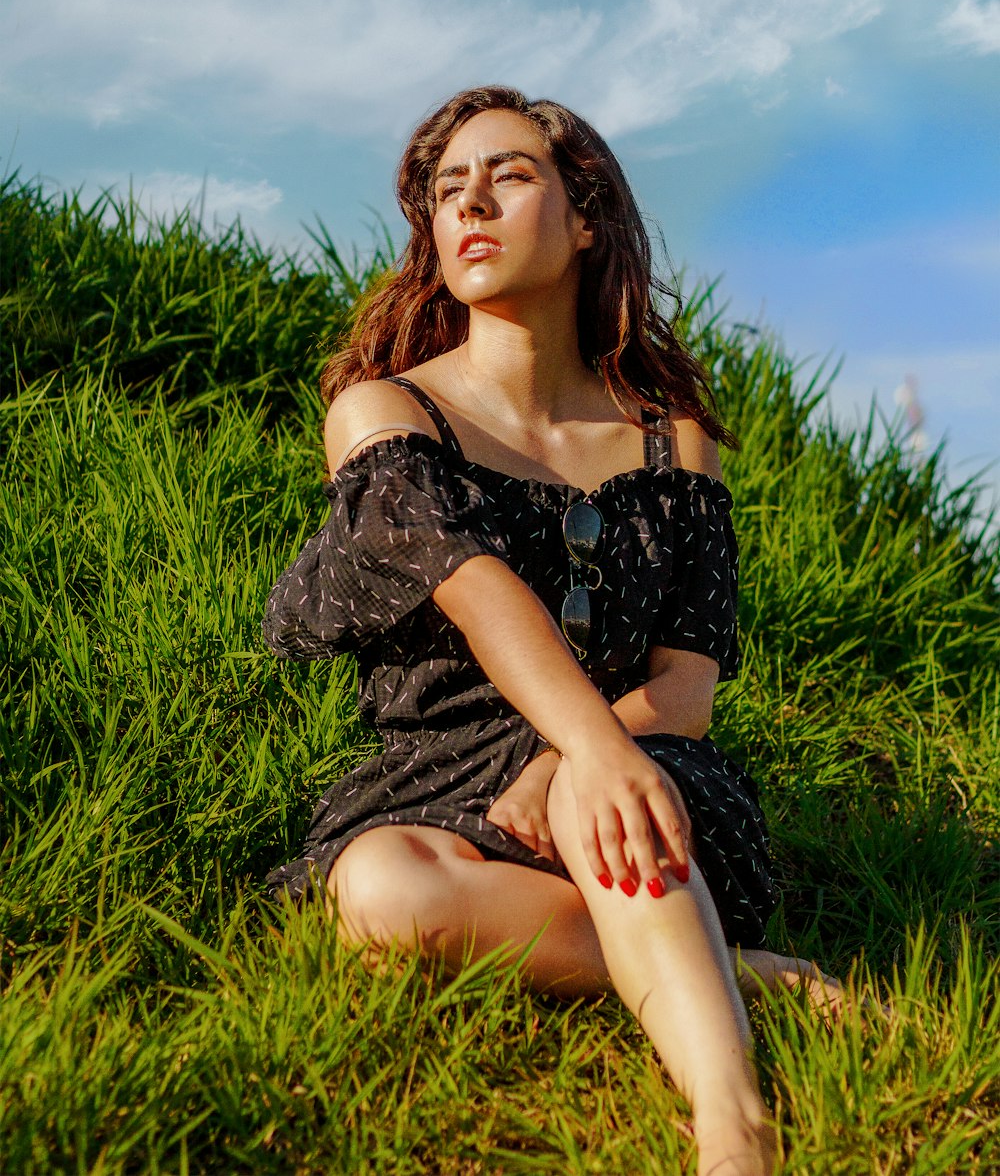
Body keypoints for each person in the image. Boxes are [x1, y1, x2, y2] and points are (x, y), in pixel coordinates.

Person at [263, 86, 838, 1176]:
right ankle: (742, 966)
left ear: (585, 221)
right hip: (439, 782)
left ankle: (732, 1123)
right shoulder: (387, 412)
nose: (469, 202)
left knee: (588, 785)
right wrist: (572, 747)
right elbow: (477, 590)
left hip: (639, 774)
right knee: (380, 890)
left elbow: (686, 688)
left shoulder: (673, 445)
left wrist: (586, 755)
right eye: (447, 189)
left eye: (509, 174)